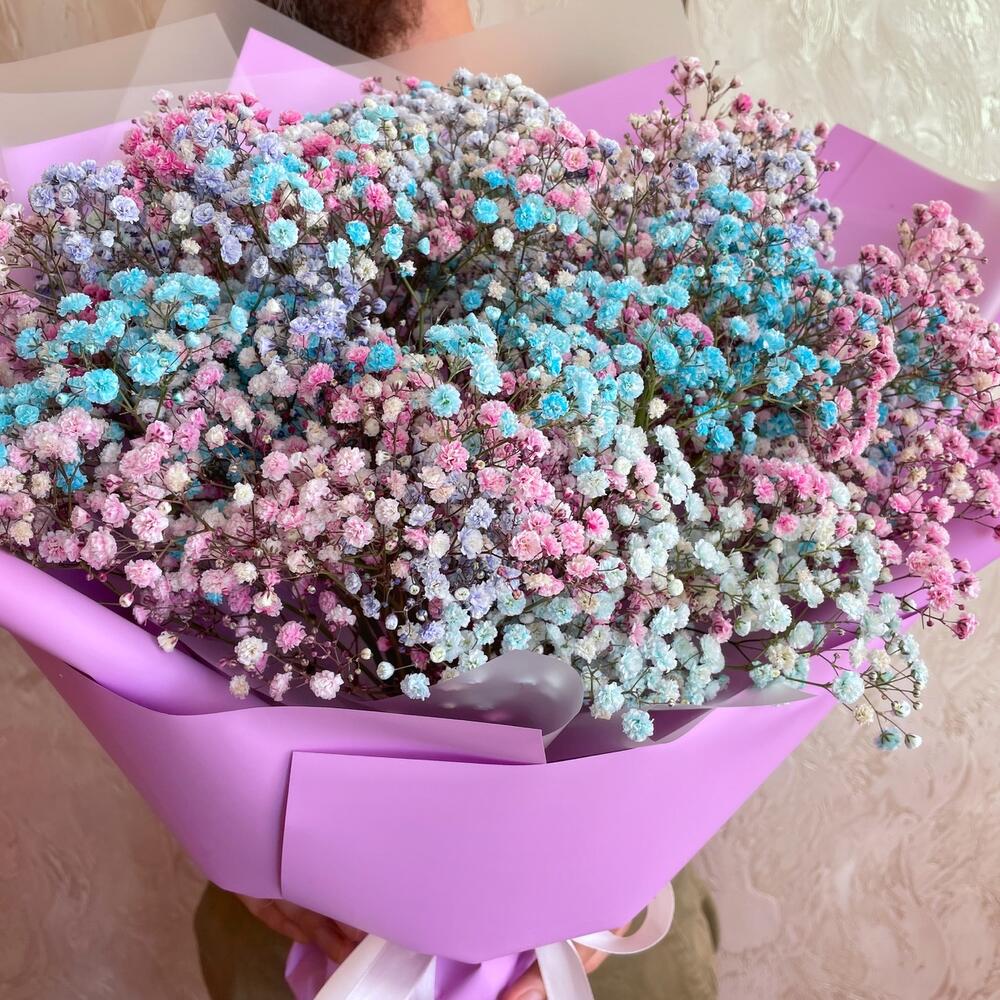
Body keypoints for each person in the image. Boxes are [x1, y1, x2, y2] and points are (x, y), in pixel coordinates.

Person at [195, 3, 720, 997]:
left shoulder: (590, 156)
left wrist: (600, 885)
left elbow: (727, 600)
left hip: (603, 913)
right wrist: (230, 838)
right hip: (304, 919)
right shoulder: (216, 181)